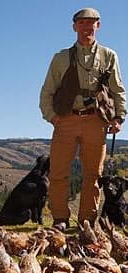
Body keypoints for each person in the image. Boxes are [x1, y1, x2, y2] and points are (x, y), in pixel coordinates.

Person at [40, 8, 126, 231]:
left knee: (93, 175)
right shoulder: (60, 58)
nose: (87, 27)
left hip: (96, 122)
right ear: (74, 26)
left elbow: (118, 89)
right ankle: (59, 219)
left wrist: (118, 117)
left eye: (92, 23)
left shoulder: (109, 56)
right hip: (66, 121)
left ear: (98, 26)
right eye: (82, 23)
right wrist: (53, 117)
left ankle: (86, 221)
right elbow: (47, 91)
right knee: (58, 172)